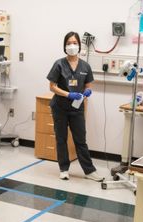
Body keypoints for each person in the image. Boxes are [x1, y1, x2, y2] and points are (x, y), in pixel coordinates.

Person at [47, 31, 104, 182]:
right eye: (69, 43)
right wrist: (67, 94)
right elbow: (52, 86)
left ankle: (89, 171)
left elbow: (88, 85)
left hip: (77, 108)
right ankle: (64, 169)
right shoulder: (59, 64)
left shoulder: (85, 66)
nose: (72, 46)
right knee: (61, 138)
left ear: (79, 45)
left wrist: (87, 91)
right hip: (60, 107)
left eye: (74, 43)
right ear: (65, 46)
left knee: (80, 140)